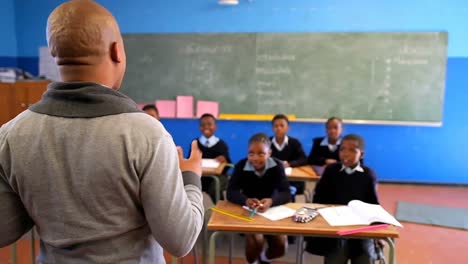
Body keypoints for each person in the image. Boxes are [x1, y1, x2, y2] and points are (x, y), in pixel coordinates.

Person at [0, 1, 203, 263]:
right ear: (117, 51)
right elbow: (181, 239)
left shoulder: (11, 135)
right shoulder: (147, 135)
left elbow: (5, 228)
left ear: (54, 54)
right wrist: (191, 176)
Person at [305, 134, 380, 264]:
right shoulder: (331, 171)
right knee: (337, 256)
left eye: (352, 150)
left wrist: (378, 235)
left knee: (366, 257)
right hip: (336, 225)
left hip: (360, 227)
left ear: (361, 154)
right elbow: (319, 199)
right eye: (342, 149)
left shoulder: (368, 175)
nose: (346, 154)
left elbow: (374, 206)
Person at [227, 133, 290, 264]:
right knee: (256, 240)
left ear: (269, 153)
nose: (255, 158)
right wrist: (246, 200)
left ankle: (264, 258)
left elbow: (286, 192)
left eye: (261, 154)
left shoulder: (277, 166)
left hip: (272, 212)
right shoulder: (241, 166)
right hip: (250, 212)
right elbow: (231, 192)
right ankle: (253, 261)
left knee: (281, 246)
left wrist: (271, 201)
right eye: (251, 153)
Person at [194, 113, 231, 202]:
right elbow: (190, 161)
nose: (206, 127)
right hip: (200, 176)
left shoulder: (221, 144)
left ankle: (219, 208)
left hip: (217, 177)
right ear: (200, 128)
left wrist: (224, 160)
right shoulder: (195, 143)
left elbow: (228, 165)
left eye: (209, 124)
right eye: (203, 125)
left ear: (215, 127)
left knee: (216, 188)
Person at [269, 114, 307, 201]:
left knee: (289, 192)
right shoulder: (267, 143)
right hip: (273, 178)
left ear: (288, 128)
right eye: (276, 126)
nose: (278, 128)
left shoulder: (294, 143)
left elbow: (304, 159)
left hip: (291, 179)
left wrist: (289, 164)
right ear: (272, 128)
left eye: (282, 125)